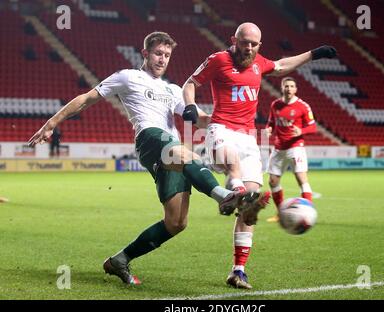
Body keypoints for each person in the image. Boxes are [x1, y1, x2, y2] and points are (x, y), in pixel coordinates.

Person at [28, 31, 265, 285]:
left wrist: (229, 121)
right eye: (158, 54)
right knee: (183, 151)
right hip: (150, 139)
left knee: (176, 222)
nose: (162, 59)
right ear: (145, 53)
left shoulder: (174, 90)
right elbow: (87, 99)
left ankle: (120, 259)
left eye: (167, 55)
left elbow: (201, 118)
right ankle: (225, 196)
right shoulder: (128, 77)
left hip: (173, 152)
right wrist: (52, 123)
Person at [182, 22, 336, 289]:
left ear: (259, 46)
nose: (249, 48)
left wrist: (313, 54)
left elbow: (282, 65)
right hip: (221, 129)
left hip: (248, 137)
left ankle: (238, 270)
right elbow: (190, 83)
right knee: (234, 166)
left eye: (254, 44)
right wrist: (191, 108)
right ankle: (237, 192)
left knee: (250, 208)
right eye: (245, 43)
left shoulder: (259, 63)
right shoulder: (218, 59)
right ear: (234, 40)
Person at [265, 77, 317, 222]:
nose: (289, 89)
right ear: (282, 88)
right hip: (278, 148)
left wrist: (301, 131)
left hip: (295, 147)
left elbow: (312, 127)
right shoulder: (275, 104)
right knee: (273, 181)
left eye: (291, 86)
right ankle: (281, 213)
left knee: (301, 179)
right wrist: (268, 129)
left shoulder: (303, 106)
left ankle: (308, 213)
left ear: (296, 89)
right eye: (286, 86)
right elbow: (271, 122)